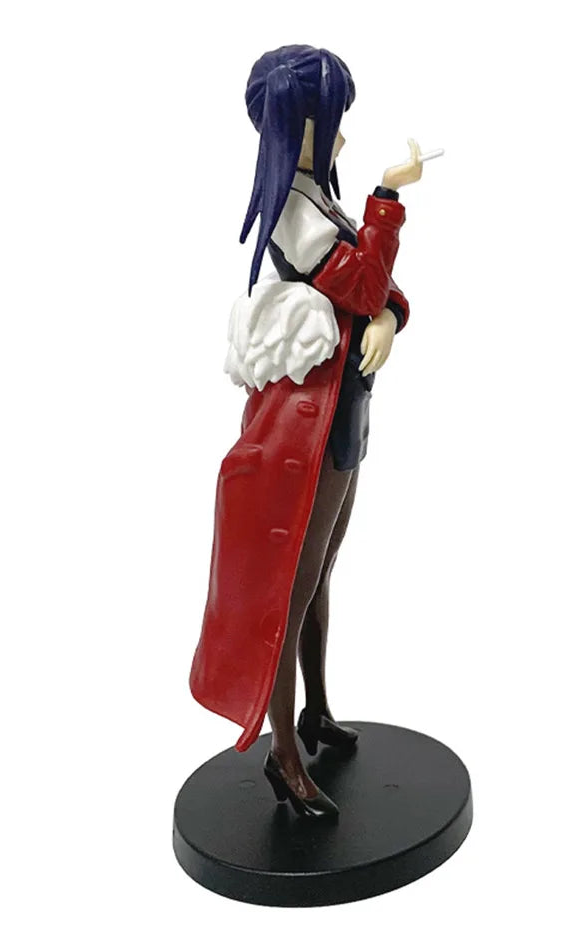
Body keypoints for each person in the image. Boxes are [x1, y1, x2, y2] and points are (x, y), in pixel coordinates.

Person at [190, 45, 424, 818]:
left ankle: (316, 711)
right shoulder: (295, 211)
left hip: (347, 411)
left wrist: (388, 317)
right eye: (331, 122)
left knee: (321, 575)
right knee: (290, 593)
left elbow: (380, 291)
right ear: (301, 128)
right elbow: (363, 280)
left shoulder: (317, 197)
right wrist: (387, 199)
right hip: (307, 432)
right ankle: (282, 751)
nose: (342, 135)